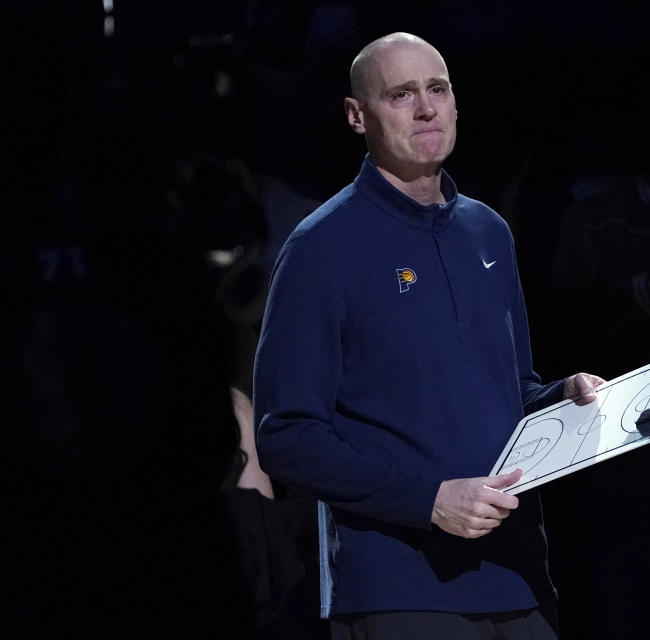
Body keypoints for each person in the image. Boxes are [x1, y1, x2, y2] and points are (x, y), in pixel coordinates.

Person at [252, 32, 602, 640]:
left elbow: (508, 391)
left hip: (518, 576)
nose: (425, 108)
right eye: (401, 94)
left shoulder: (488, 232)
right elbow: (287, 437)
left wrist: (561, 399)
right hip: (401, 589)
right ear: (357, 116)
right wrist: (427, 500)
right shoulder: (321, 249)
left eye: (437, 88)